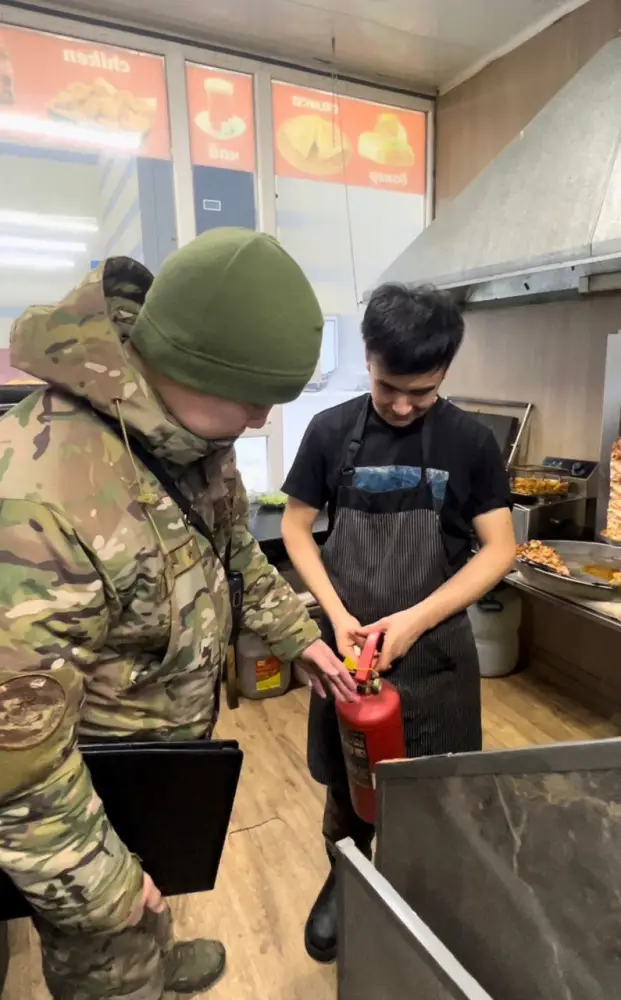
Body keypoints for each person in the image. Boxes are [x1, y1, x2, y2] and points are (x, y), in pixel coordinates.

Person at [0, 227, 357, 1000]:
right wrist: (103, 886)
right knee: (110, 948)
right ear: (189, 368)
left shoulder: (185, 434)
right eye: (253, 401)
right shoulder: (41, 496)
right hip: (84, 789)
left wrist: (300, 638)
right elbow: (15, 757)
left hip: (156, 765)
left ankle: (155, 959)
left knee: (154, 885)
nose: (259, 421)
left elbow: (231, 548)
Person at [281, 283, 517, 963]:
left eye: (423, 391)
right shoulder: (330, 431)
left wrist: (413, 621)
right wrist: (337, 615)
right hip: (349, 652)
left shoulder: (469, 441)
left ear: (445, 370)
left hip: (435, 651)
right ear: (367, 357)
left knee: (437, 789)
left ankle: (427, 893)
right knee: (348, 779)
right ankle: (347, 873)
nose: (404, 406)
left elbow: (499, 548)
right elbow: (296, 528)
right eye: (389, 387)